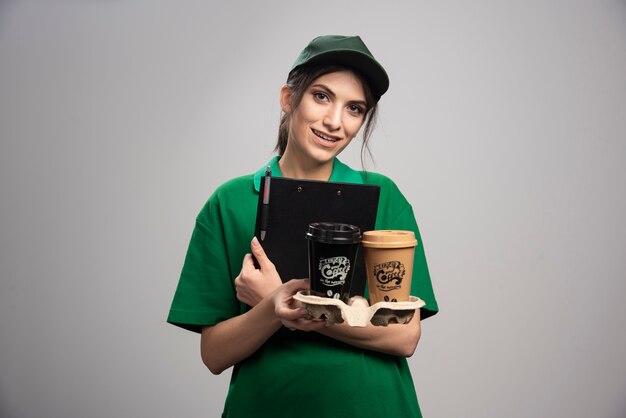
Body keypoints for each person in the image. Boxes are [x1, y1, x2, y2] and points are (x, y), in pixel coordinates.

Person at [167, 35, 438, 417]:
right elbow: (213, 354)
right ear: (288, 98)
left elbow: (404, 336)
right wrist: (272, 308)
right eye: (322, 96)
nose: (334, 121)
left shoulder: (383, 197)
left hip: (372, 407)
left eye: (354, 108)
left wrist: (289, 303)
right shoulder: (229, 203)